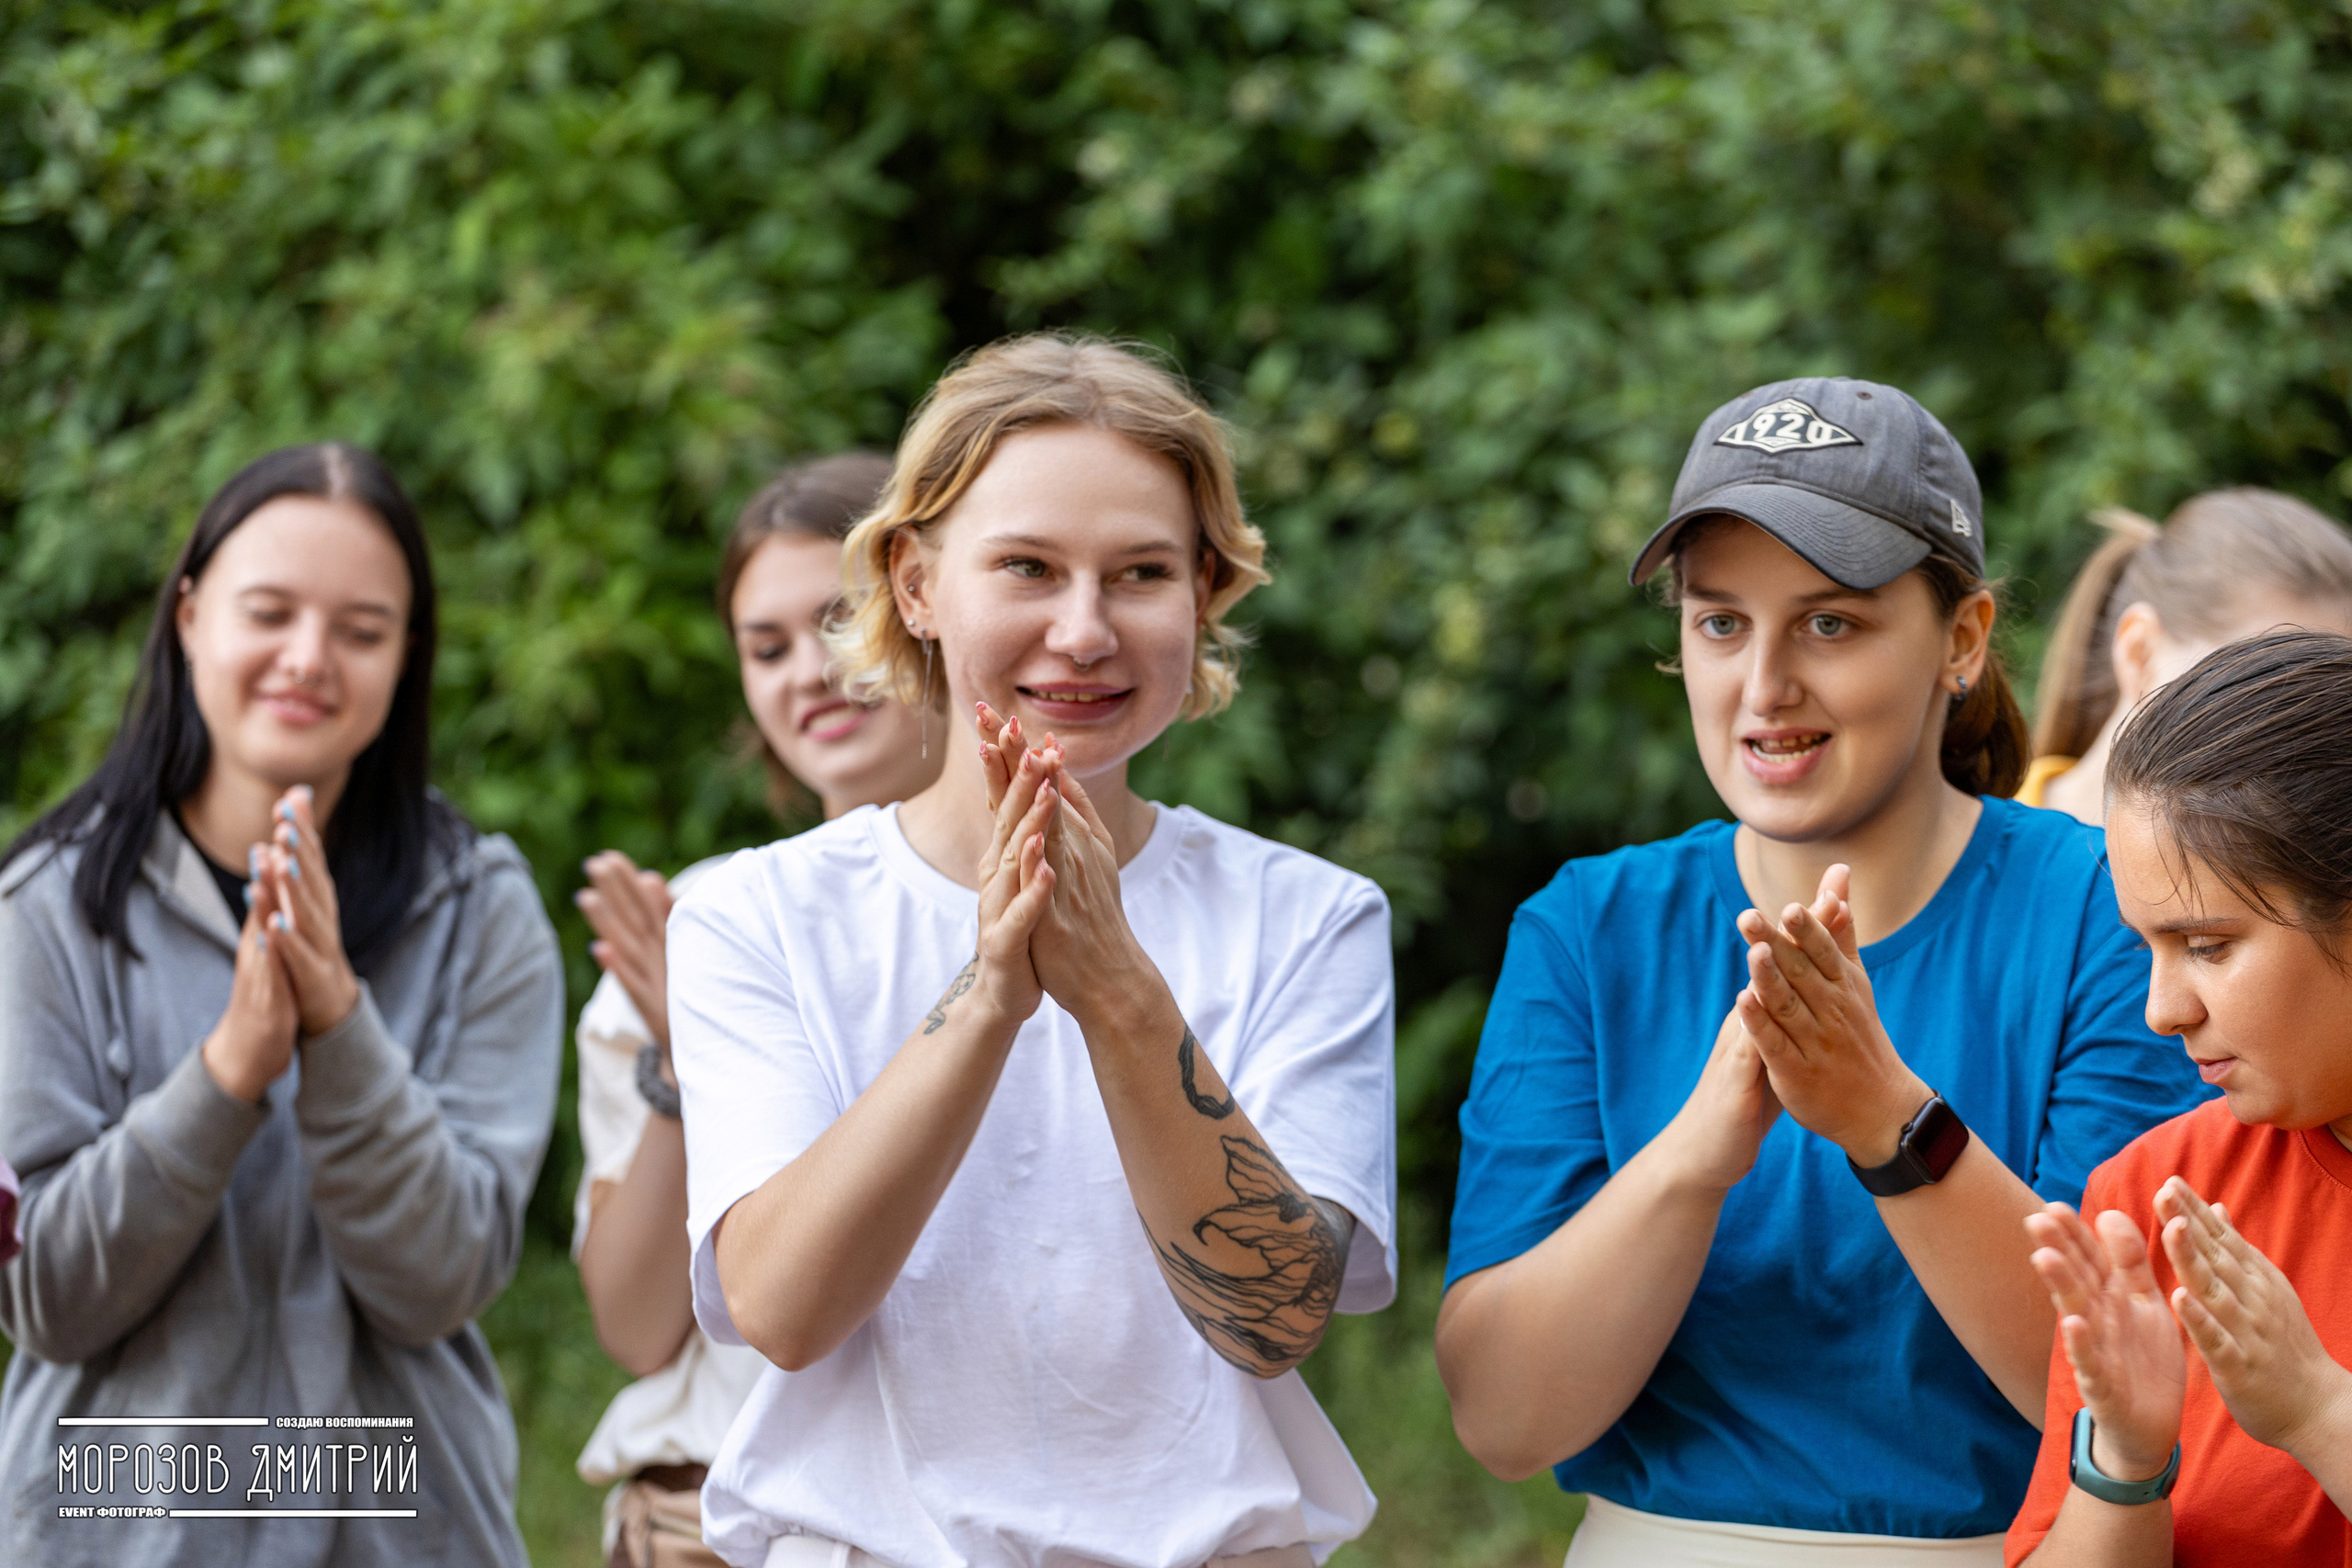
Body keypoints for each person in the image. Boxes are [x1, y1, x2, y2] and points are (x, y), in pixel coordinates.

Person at [1436, 378, 2211, 1565]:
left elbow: (2126, 1386)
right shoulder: (1591, 926)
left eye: (1830, 622)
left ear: (1962, 639)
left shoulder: (2108, 913)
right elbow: (1502, 1416)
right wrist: (1702, 1149)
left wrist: (1889, 1123)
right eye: (1720, 621)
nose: (1764, 686)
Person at [664, 333, 1397, 1568]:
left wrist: (1116, 991)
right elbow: (783, 1310)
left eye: (1141, 573)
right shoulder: (755, 914)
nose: (1084, 629)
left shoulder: (1309, 914)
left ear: (1206, 592)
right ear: (914, 584)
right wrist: (993, 991)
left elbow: (1274, 1315)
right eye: (1027, 567)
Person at [0, 444, 563, 1567]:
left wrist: (339, 1030)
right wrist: (229, 1072)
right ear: (191, 616)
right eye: (269, 613)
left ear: (406, 657)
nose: (309, 659)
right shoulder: (45, 906)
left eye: (361, 631)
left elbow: (445, 1275)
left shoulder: (477, 906)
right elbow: (45, 1292)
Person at [570, 452, 939, 1568]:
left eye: (837, 622)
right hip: (700, 1522)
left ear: (926, 605)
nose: (804, 675)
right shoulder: (697, 924)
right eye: (762, 647)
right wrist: (687, 1068)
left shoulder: (1056, 915)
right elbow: (637, 1333)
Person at [2007, 630, 2352, 1565]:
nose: (2161, 1011)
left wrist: (2319, 1412)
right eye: (2144, 946)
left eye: (2206, 946)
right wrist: (2123, 1458)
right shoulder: (2159, 1194)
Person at [2018, 489, 2352, 820]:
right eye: (2260, 684)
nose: (2299, 740)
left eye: (2332, 707)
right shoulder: (1977, 848)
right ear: (2141, 655)